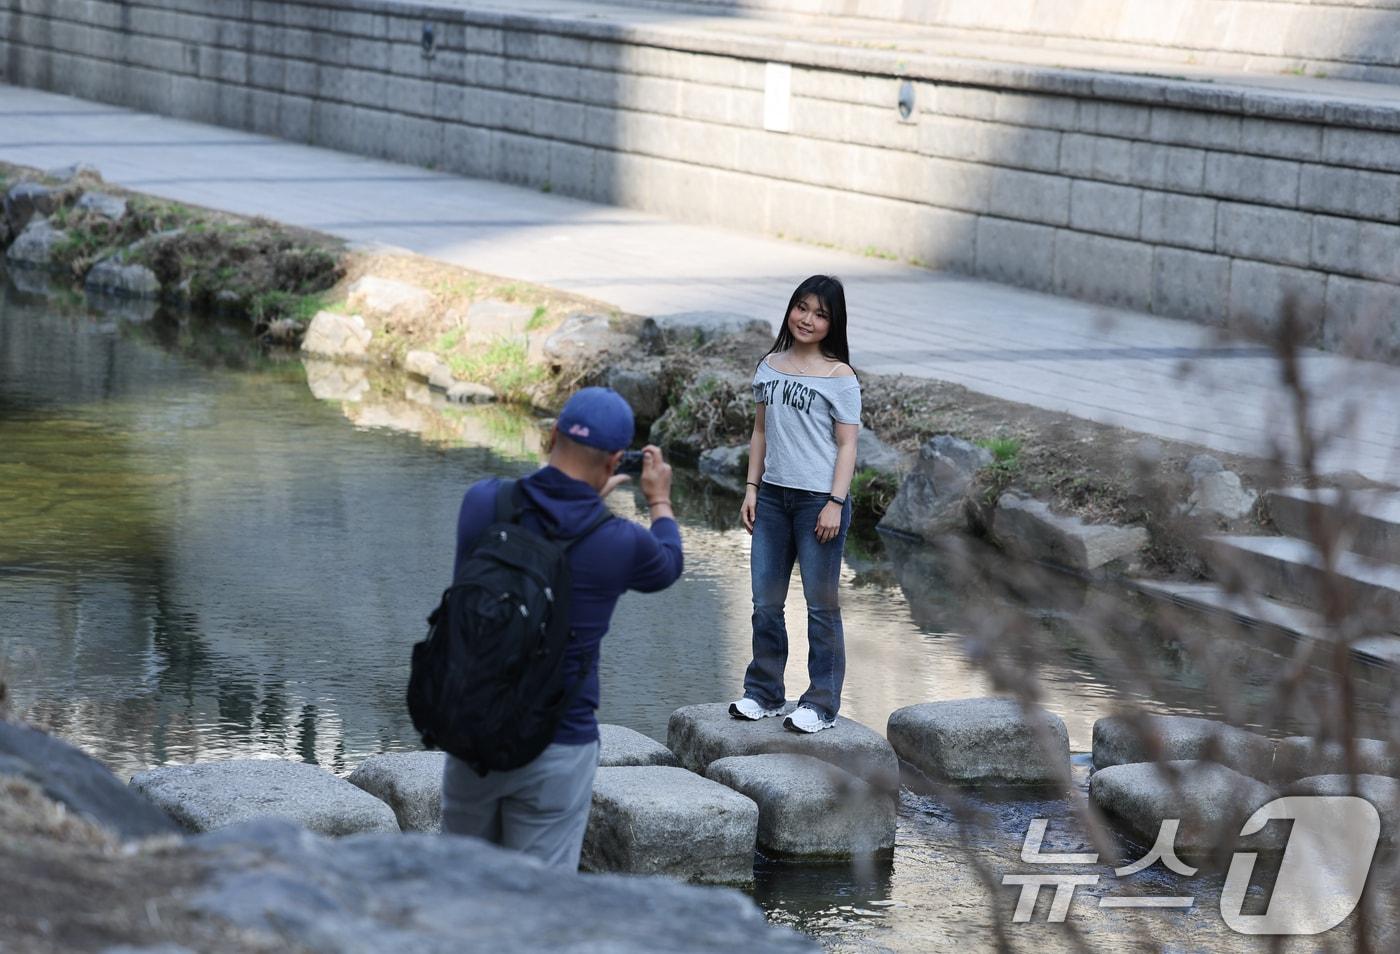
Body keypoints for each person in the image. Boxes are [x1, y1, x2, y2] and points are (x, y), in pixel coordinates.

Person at [440, 386, 682, 869]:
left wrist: (583, 492)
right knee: (539, 913)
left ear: (551, 436)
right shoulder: (618, 542)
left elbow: (532, 503)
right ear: (615, 463)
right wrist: (658, 501)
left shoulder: (482, 503)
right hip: (559, 741)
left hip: (474, 735)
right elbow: (668, 564)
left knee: (460, 892)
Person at [731, 275, 859, 735]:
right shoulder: (770, 365)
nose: (808, 319)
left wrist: (834, 502)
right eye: (802, 308)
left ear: (833, 322)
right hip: (772, 499)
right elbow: (760, 431)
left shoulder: (839, 377)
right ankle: (763, 693)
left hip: (817, 504)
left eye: (820, 314)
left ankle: (821, 703)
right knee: (765, 602)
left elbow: (847, 447)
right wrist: (751, 488)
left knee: (821, 607)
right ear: (790, 309)